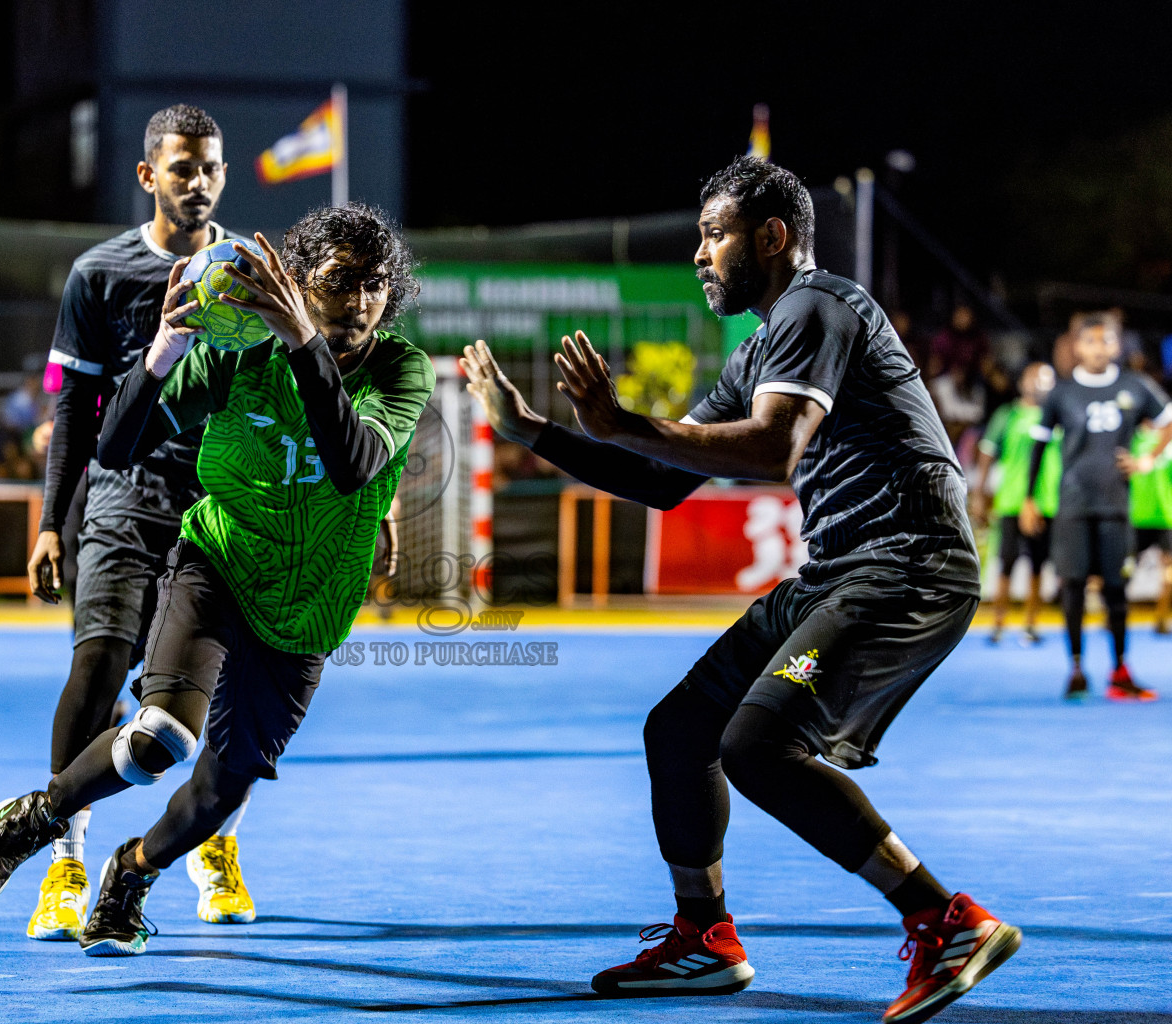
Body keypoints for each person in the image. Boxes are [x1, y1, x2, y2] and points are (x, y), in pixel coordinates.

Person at [462, 157, 1017, 1024]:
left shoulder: (816, 305)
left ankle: (946, 920)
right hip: (841, 568)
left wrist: (620, 421)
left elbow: (769, 452)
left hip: (907, 562)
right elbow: (664, 479)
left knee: (759, 746)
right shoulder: (766, 341)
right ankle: (706, 940)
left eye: (714, 235)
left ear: (771, 236)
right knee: (681, 731)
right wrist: (533, 430)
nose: (699, 254)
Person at [0, 204, 431, 957]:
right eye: (340, 281)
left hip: (309, 604)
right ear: (299, 283)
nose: (362, 300)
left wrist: (301, 336)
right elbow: (116, 445)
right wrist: (163, 352)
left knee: (220, 791)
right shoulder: (240, 355)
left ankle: (131, 872)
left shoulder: (401, 368)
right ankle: (34, 820)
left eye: (375, 283)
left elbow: (352, 464)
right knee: (161, 737)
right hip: (219, 559)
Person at [16, 104, 259, 941]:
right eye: (183, 167)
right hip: (121, 498)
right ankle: (65, 862)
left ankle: (212, 843)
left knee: (219, 692)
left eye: (213, 168)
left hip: (222, 508)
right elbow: (73, 410)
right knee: (97, 666)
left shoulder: (254, 271)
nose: (199, 181)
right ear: (148, 175)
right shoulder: (98, 274)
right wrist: (52, 522)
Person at [1022, 314, 1172, 700]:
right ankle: (1075, 668)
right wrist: (1028, 500)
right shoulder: (1061, 393)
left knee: (1116, 588)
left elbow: (1168, 419)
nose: (1098, 348)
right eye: (1090, 342)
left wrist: (1147, 460)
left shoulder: (1134, 386)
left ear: (1116, 346)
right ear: (1078, 347)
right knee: (1072, 585)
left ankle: (1120, 671)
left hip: (1115, 505)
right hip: (1071, 505)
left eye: (1106, 341)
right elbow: (1038, 448)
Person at [971, 363, 1060, 645]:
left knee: (1038, 565)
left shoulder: (1057, 416)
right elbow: (986, 453)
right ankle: (998, 624)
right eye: (1035, 378)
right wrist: (979, 493)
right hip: (1011, 501)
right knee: (1006, 564)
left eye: (1047, 379)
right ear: (1023, 382)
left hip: (1047, 502)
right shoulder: (1007, 414)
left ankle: (1031, 625)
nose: (1041, 384)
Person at [1127, 424, 1172, 634]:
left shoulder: (1168, 444)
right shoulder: (1131, 440)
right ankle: (1117, 614)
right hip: (1136, 517)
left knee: (1169, 571)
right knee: (1123, 568)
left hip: (1166, 517)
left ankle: (1161, 618)